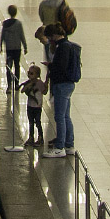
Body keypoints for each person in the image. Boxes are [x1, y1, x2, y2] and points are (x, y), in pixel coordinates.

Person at [40, 24, 80, 158]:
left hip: (62, 85)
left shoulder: (62, 47)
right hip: (68, 84)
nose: (50, 40)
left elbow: (61, 67)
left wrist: (51, 66)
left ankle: (60, 147)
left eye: (50, 37)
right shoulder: (67, 45)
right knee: (66, 116)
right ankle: (69, 144)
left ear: (54, 35)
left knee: (59, 116)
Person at [19, 65, 48, 147]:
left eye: (32, 73)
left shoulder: (39, 83)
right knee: (31, 122)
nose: (29, 75)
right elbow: (22, 90)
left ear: (37, 75)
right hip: (30, 106)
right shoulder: (28, 82)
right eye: (29, 73)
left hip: (37, 107)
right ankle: (31, 137)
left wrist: (46, 84)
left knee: (38, 122)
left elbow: (44, 92)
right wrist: (29, 84)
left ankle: (40, 137)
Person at [0, 4, 28, 87]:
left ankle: (9, 85)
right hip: (17, 48)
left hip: (9, 48)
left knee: (9, 66)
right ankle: (16, 84)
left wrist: (1, 46)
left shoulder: (5, 24)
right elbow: (22, 35)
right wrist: (25, 46)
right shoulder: (19, 23)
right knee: (17, 66)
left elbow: (2, 36)